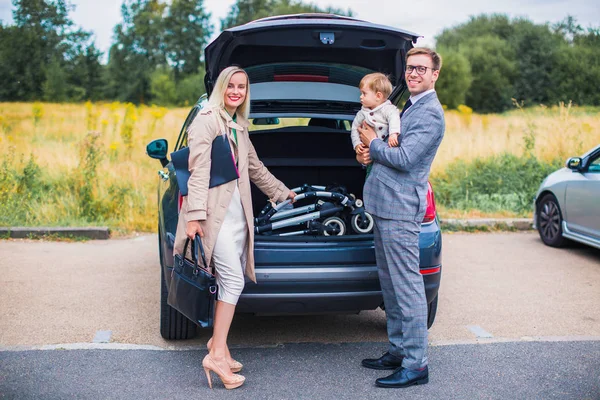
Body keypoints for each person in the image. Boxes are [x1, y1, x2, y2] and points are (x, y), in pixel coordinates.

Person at [173, 66, 295, 390]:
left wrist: (283, 193)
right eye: (231, 86)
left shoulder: (238, 125)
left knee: (227, 281)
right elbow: (197, 172)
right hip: (215, 218)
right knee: (233, 280)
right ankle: (215, 354)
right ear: (221, 88)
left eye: (242, 87)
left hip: (239, 217)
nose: (236, 92)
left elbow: (254, 168)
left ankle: (220, 347)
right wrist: (194, 217)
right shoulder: (207, 120)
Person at [356, 47, 445, 388]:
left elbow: (406, 157)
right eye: (410, 68)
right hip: (383, 205)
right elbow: (387, 151)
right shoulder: (408, 106)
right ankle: (398, 349)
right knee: (390, 284)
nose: (414, 74)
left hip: (401, 209)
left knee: (407, 287)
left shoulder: (431, 113)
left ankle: (416, 365)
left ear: (434, 74)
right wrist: (367, 153)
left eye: (421, 69)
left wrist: (372, 143)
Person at [350, 73, 401, 176]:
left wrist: (393, 134)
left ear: (378, 96)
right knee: (370, 177)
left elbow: (394, 118)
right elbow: (355, 128)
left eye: (364, 93)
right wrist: (357, 144)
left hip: (386, 153)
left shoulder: (388, 109)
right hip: (369, 156)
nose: (360, 97)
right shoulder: (362, 113)